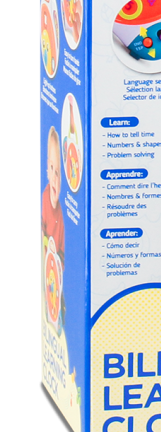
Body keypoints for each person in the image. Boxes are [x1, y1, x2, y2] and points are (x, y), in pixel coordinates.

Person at [41, 127, 66, 329]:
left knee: (60, 308)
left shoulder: (64, 215)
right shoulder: (44, 197)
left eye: (59, 172)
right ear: (47, 171)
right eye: (52, 169)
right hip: (48, 267)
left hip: (59, 271)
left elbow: (64, 251)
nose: (55, 178)